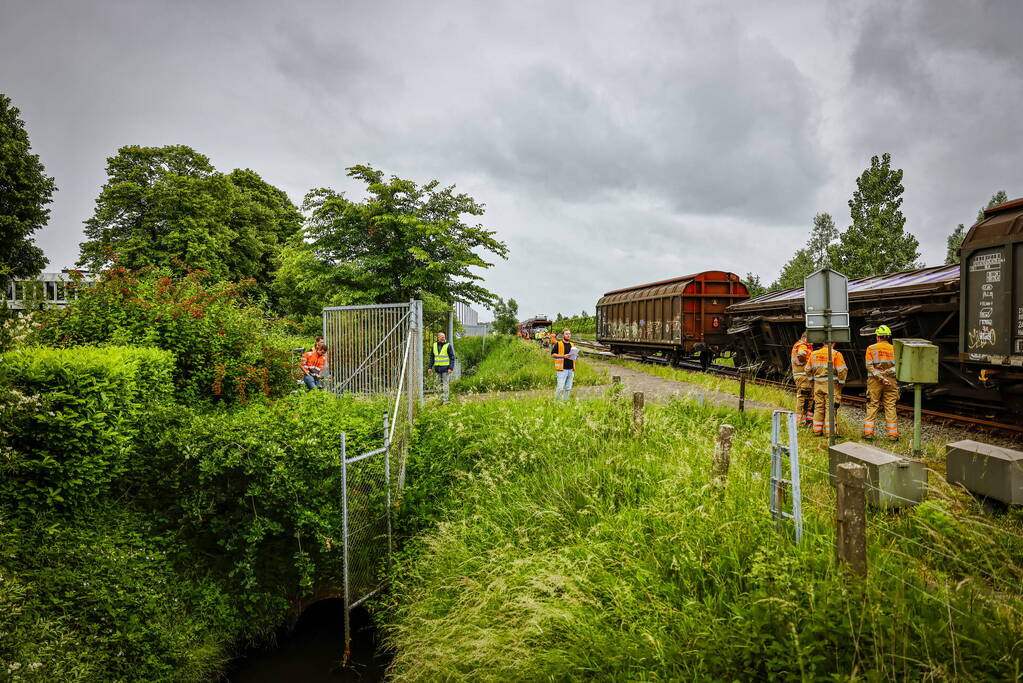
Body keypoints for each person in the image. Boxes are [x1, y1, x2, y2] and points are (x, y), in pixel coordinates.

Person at [864, 325, 899, 441]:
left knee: (873, 405)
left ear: (877, 337)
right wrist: (886, 374)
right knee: (890, 406)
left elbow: (869, 366)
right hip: (891, 381)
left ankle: (868, 434)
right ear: (888, 337)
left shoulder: (871, 348)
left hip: (875, 382)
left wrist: (880, 377)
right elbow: (898, 366)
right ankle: (893, 436)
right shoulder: (895, 349)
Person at [806, 342, 847, 436]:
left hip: (818, 385)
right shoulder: (836, 354)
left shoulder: (814, 354)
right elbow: (842, 370)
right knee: (830, 408)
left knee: (818, 407)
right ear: (834, 343)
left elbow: (807, 369)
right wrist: (841, 382)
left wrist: (812, 381)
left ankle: (817, 431)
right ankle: (830, 433)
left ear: (822, 342)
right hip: (831, 385)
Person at [790, 331, 813, 427]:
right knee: (803, 398)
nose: (812, 343)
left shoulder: (801, 345)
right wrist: (808, 362)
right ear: (805, 337)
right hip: (803, 376)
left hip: (803, 376)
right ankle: (798, 422)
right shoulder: (802, 345)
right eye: (811, 341)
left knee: (808, 398)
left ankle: (806, 421)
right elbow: (801, 355)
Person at [427, 331, 456, 404]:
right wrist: (430, 367)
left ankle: (445, 400)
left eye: (444, 337)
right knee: (439, 385)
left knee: (445, 385)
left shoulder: (448, 345)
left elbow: (452, 357)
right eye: (442, 337)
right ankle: (440, 399)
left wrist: (451, 368)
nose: (443, 338)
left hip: (446, 369)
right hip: (437, 369)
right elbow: (432, 357)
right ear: (438, 337)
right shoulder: (434, 345)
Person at [552, 328, 576, 400]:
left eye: (569, 334)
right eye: (566, 334)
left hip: (571, 369)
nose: (568, 335)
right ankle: (556, 403)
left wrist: (575, 356)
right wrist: (563, 356)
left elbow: (573, 355)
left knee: (568, 388)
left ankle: (565, 402)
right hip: (562, 370)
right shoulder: (558, 344)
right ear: (563, 335)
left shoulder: (572, 344)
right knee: (560, 388)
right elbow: (553, 355)